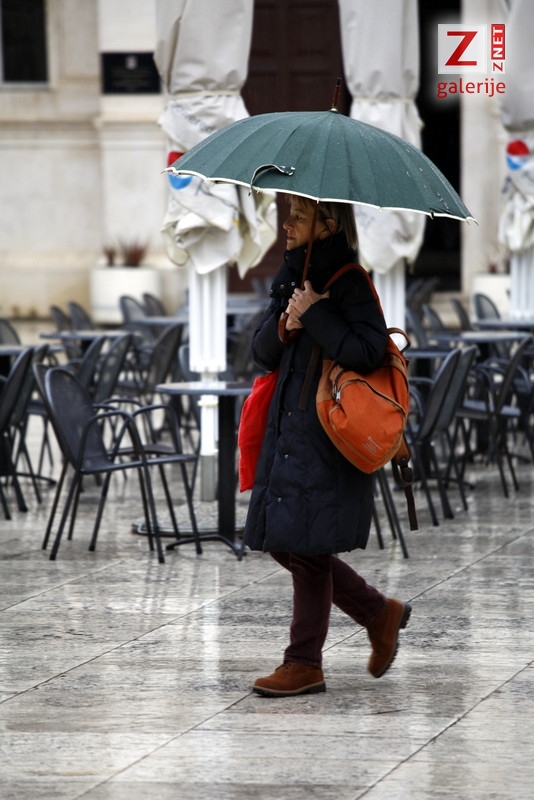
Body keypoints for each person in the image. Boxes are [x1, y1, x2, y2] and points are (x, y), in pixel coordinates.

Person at [243, 194, 412, 697]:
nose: (287, 223)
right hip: (287, 430)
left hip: (325, 433)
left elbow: (368, 350)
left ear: (328, 224)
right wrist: (286, 325)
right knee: (281, 537)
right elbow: (259, 353)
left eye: (299, 215)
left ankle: (303, 662)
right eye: (289, 214)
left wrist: (317, 314)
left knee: (307, 545)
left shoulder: (349, 281)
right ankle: (378, 613)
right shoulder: (291, 275)